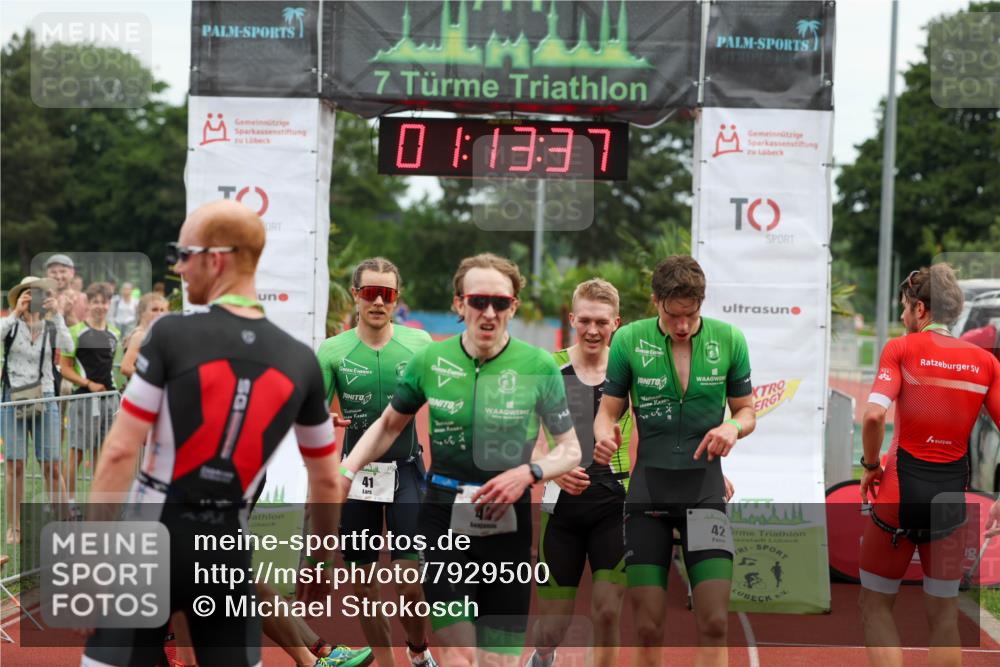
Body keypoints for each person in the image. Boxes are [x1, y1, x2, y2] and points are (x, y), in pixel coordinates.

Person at [81, 200, 372, 667]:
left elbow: (118, 452)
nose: (178, 266)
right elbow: (326, 479)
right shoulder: (298, 358)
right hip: (225, 547)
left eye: (183, 253)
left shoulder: (171, 334)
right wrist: (319, 560)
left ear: (215, 259)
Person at [337, 253, 582, 667]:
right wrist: (346, 469)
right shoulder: (430, 360)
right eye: (477, 301)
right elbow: (389, 425)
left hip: (509, 522)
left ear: (514, 307)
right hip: (444, 514)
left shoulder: (538, 365)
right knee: (459, 652)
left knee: (496, 660)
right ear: (458, 304)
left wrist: (529, 472)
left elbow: (570, 448)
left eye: (500, 303)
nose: (488, 312)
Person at [593, 255, 755, 667]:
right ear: (655, 302)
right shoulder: (629, 340)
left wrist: (733, 428)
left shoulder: (729, 339)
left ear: (702, 303)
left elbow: (746, 410)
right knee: (647, 627)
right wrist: (603, 434)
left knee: (715, 620)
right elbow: (608, 410)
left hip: (704, 493)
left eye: (691, 314)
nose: (683, 325)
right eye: (673, 315)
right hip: (648, 496)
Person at [859, 264, 1000, 667]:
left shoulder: (901, 349)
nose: (903, 317)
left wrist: (869, 464)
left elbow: (872, 416)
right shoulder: (984, 362)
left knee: (875, 606)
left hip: (898, 495)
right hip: (949, 501)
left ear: (921, 309)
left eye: (905, 308)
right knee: (943, 616)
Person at [316, 257, 438, 667]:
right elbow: (313, 412)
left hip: (405, 471)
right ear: (355, 295)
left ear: (396, 298)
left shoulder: (419, 344)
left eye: (386, 294)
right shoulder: (333, 350)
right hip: (356, 477)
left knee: (408, 584)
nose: (378, 302)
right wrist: (323, 418)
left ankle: (419, 651)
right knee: (364, 588)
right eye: (370, 293)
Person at [525, 278, 633, 667]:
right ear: (572, 318)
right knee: (551, 626)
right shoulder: (548, 368)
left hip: (614, 505)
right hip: (562, 511)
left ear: (616, 323)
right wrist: (552, 472)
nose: (592, 330)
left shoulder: (628, 371)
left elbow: (661, 429)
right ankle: (542, 656)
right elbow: (529, 439)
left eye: (601, 322)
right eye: (584, 320)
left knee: (607, 611)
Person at [1, 277, 72, 544]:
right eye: (29, 294)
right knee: (15, 465)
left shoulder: (51, 324)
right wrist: (15, 313)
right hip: (13, 396)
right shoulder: (10, 325)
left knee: (52, 465)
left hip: (46, 395)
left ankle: (64, 523)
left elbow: (68, 346)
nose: (34, 299)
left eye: (39, 294)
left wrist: (58, 314)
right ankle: (14, 527)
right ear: (20, 296)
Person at [60, 282, 120, 501]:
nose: (100, 306)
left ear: (109, 304)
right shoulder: (75, 332)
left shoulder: (114, 332)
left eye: (104, 302)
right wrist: (87, 384)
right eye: (95, 302)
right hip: (84, 399)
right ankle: (69, 502)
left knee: (101, 455)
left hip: (109, 400)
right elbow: (65, 368)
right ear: (88, 303)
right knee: (77, 453)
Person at [120, 293, 169, 380]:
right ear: (142, 312)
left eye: (162, 310)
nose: (159, 314)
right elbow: (126, 368)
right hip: (138, 391)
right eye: (154, 310)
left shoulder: (148, 333)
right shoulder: (140, 335)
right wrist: (153, 380)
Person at [44, 254, 88, 327]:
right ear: (46, 274)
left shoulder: (84, 299)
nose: (58, 276)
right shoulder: (40, 300)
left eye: (63, 271)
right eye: (53, 272)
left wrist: (69, 314)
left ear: (72, 273)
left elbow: (86, 334)